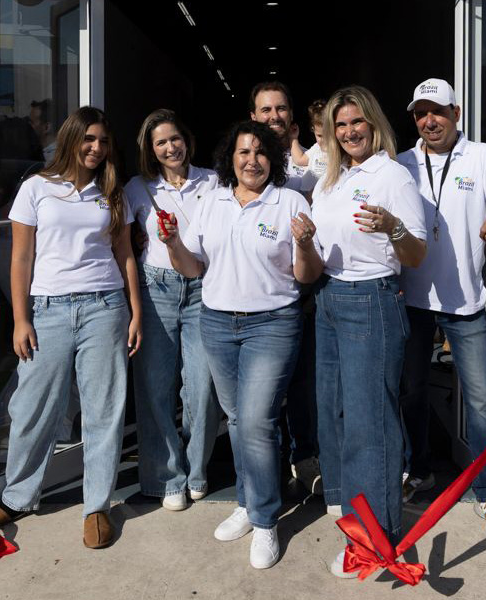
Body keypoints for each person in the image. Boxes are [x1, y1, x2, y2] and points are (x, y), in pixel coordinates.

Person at [0, 106, 142, 549]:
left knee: (103, 410)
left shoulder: (112, 192)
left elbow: (125, 256)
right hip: (49, 311)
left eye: (103, 141)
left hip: (105, 307)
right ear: (71, 139)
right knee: (32, 406)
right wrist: (21, 318)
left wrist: (136, 311)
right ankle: (19, 495)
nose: (96, 148)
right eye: (89, 139)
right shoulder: (36, 188)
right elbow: (20, 258)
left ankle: (96, 505)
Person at [157, 120, 323, 570]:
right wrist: (172, 242)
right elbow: (192, 268)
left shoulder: (289, 201)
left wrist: (305, 244)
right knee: (236, 420)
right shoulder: (212, 203)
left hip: (272, 324)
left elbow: (306, 275)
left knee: (256, 422)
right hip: (216, 323)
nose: (253, 161)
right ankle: (248, 504)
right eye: (243, 153)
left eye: (261, 153)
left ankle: (267, 520)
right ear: (230, 159)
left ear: (274, 158)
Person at [396, 78, 486, 539]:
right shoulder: (401, 163)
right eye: (420, 113)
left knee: (482, 403)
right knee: (410, 394)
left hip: (465, 301)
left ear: (457, 112)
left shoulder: (482, 156)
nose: (428, 120)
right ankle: (421, 471)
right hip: (412, 300)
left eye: (436, 111)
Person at [311, 85, 427, 578]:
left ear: (373, 124)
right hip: (330, 299)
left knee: (369, 423)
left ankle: (375, 537)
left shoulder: (393, 176)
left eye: (356, 122)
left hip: (372, 300)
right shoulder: (330, 181)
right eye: (340, 125)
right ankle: (351, 511)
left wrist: (393, 226)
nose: (349, 131)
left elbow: (417, 253)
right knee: (335, 412)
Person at [125, 109, 221, 511]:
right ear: (151, 149)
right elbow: (121, 246)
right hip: (155, 289)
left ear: (187, 139)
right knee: (155, 387)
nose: (170, 147)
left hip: (203, 288)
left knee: (201, 387)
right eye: (161, 142)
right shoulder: (136, 188)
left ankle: (196, 471)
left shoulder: (213, 181)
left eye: (175, 138)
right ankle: (166, 478)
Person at [249, 81, 324, 496]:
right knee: (265, 387)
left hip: (305, 288)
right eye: (265, 110)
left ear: (291, 119)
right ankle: (272, 466)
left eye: (280, 109)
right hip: (261, 294)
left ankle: (305, 458)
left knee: (302, 380)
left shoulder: (309, 166)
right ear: (253, 116)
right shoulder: (241, 163)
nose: (273, 116)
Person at [291, 99, 330, 193]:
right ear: (313, 130)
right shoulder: (316, 148)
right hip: (304, 193)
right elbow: (299, 160)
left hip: (323, 196)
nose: (324, 140)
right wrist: (293, 138)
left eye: (329, 136)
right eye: (320, 136)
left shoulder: (339, 152)